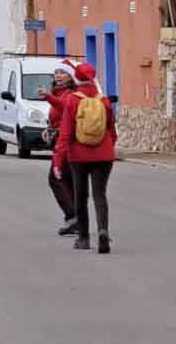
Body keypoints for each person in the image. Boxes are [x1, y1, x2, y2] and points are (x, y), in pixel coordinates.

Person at [57, 61, 117, 253]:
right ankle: (103, 231)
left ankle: (83, 238)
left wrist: (58, 160)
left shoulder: (72, 100)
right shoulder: (104, 100)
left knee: (81, 196)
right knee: (100, 195)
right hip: (104, 155)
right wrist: (109, 147)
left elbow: (65, 133)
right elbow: (111, 129)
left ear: (77, 78)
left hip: (79, 156)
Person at [43, 61, 79, 234]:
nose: (58, 75)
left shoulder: (70, 94)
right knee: (67, 181)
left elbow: (64, 108)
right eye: (56, 72)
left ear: (71, 77)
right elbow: (57, 117)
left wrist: (48, 97)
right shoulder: (58, 93)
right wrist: (48, 129)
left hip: (67, 142)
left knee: (55, 179)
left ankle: (72, 216)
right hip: (59, 139)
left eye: (62, 72)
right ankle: (76, 220)